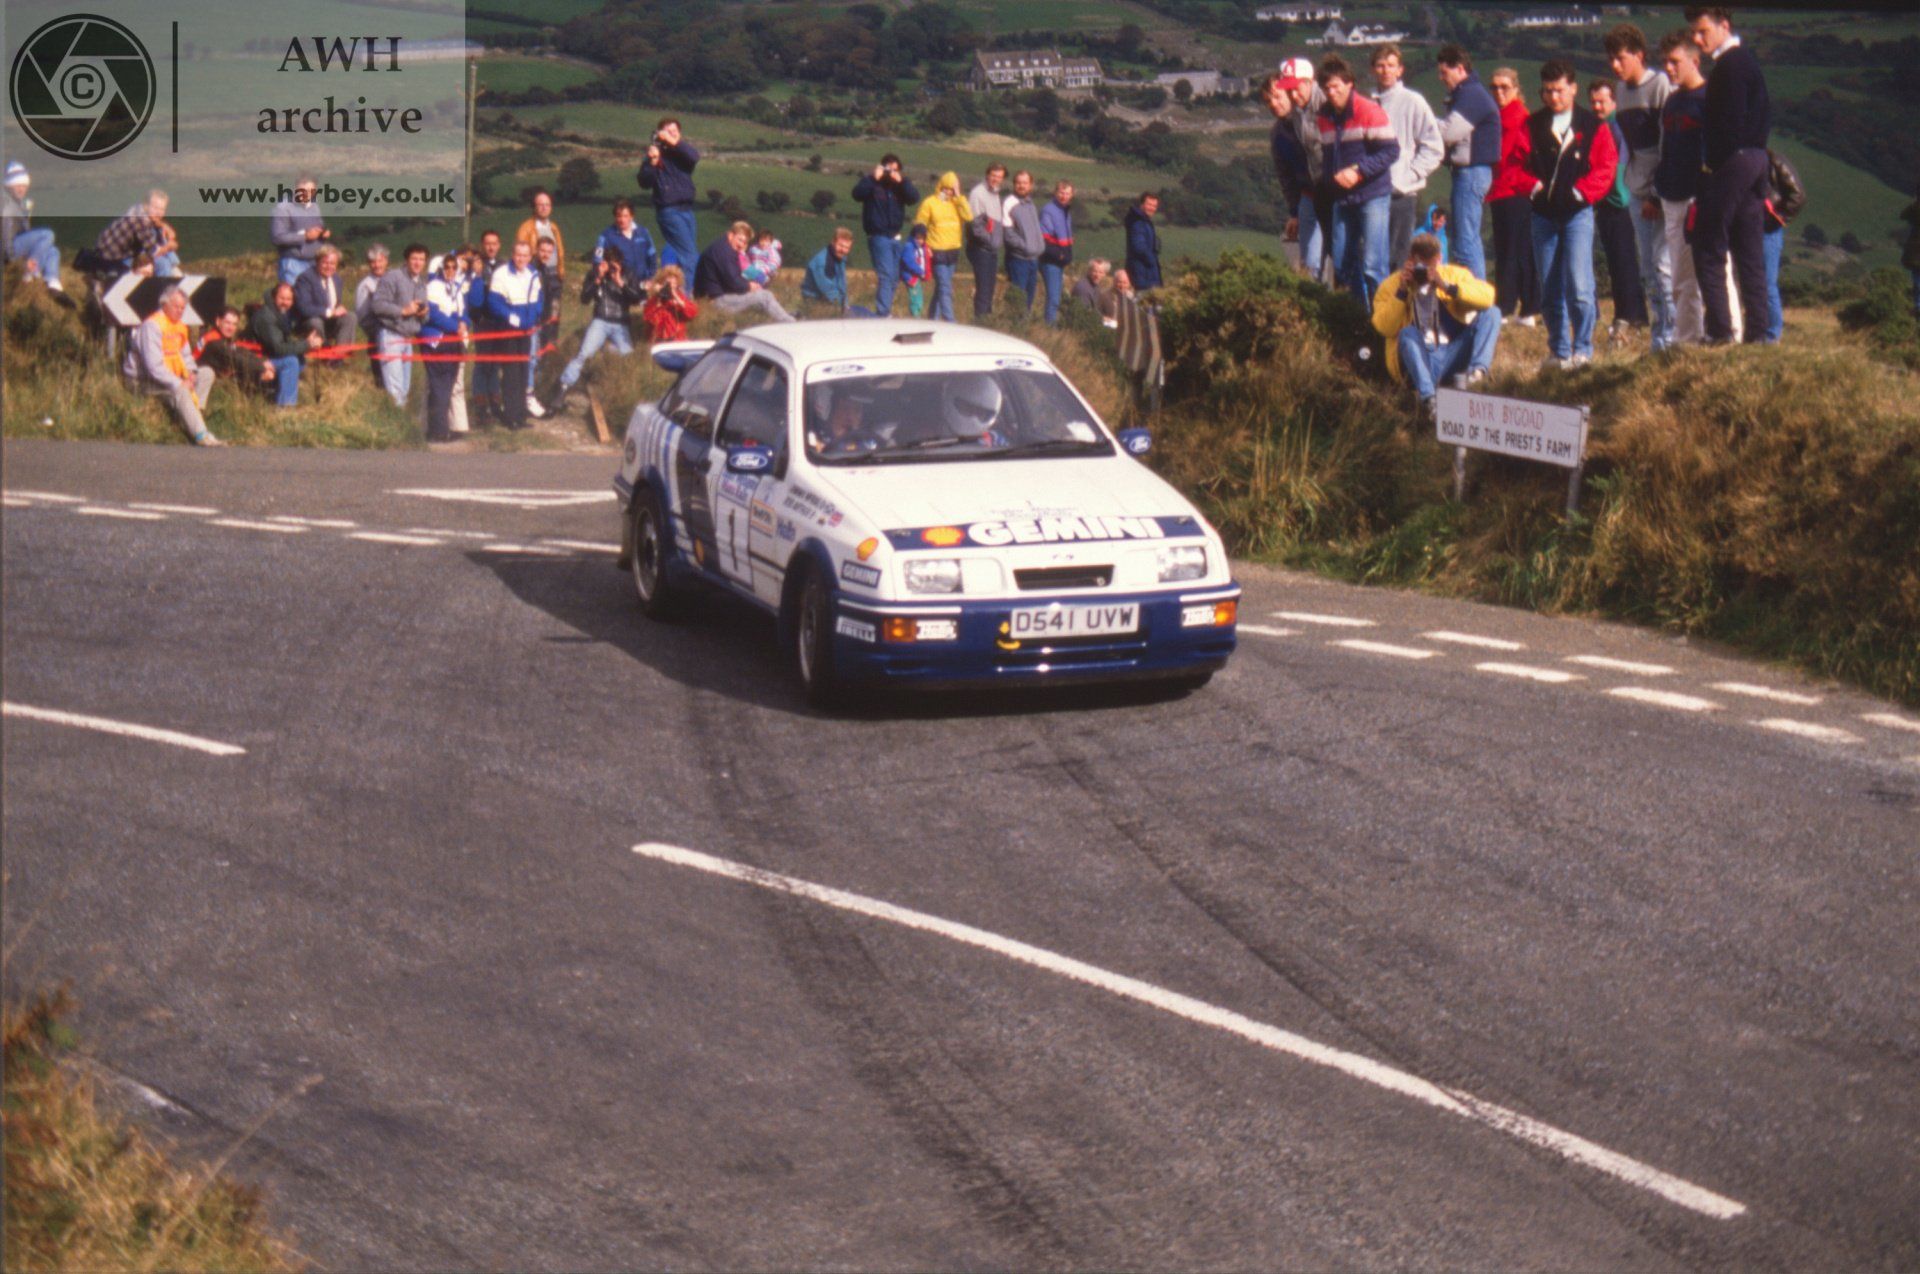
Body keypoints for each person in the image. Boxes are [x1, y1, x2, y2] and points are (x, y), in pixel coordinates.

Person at [1526, 60, 1618, 370]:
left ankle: (1583, 350)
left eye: (1560, 91)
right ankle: (1558, 351)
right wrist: (1532, 187)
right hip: (1543, 215)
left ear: (1574, 89)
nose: (1554, 98)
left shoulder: (1593, 126)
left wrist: (1581, 193)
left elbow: (1606, 167)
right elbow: (1514, 163)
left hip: (1578, 214)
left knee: (1579, 284)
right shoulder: (1533, 125)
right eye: (1548, 91)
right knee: (1549, 285)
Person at [1689, 4, 1770, 345]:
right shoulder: (1746, 61)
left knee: (1707, 245)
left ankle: (1721, 332)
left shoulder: (1730, 65)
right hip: (1756, 159)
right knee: (1749, 250)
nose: (1697, 38)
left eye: (1703, 31)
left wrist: (1715, 170)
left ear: (1724, 25)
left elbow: (1728, 124)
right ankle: (1759, 335)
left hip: (1734, 162)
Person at [1372, 233, 1501, 418]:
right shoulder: (1391, 286)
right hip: (1419, 359)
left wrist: (1447, 287)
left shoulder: (1453, 275)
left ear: (1439, 260)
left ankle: (1476, 375)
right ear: (1410, 260)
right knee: (1407, 332)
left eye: (1429, 266)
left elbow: (1488, 297)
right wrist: (1401, 292)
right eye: (1420, 266)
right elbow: (1384, 327)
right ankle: (1429, 399)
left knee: (1492, 313)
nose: (1424, 272)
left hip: (1452, 353)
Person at [1655, 31, 1728, 345]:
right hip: (1671, 195)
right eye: (1665, 63)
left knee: (1714, 270)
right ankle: (1687, 339)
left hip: (1700, 196)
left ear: (1695, 61)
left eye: (1675, 62)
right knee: (1681, 277)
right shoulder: (1672, 101)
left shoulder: (1710, 98)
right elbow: (1665, 148)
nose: (1669, 69)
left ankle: (1728, 333)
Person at [1608, 23, 1674, 349]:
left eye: (1621, 58)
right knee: (1647, 267)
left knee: (1663, 266)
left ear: (1639, 55)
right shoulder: (1620, 91)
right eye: (1611, 59)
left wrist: (1657, 195)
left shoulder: (1661, 85)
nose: (1615, 66)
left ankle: (1672, 337)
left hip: (1659, 189)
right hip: (1635, 186)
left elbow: (1669, 144)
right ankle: (1657, 338)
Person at [1316, 56, 1399, 308]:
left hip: (1372, 195)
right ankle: (1358, 317)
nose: (1332, 93)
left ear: (1349, 83)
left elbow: (1391, 151)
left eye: (1336, 86)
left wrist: (1358, 171)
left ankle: (1382, 322)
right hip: (1342, 198)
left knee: (1374, 265)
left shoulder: (1369, 111)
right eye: (1327, 88)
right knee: (1341, 262)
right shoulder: (1324, 116)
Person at [1371, 44, 1444, 270]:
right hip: (1373, 191)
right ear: (1373, 69)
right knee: (1374, 256)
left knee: (1399, 257)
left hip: (1401, 194)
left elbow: (1434, 147)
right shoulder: (1368, 103)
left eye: (1391, 66)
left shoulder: (1413, 101)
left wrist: (1409, 175)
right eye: (1380, 66)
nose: (1386, 71)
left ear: (1400, 70)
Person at [122, 286, 220, 446]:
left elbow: (186, 355)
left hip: (172, 374)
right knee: (180, 389)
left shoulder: (179, 326)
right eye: (176, 306)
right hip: (143, 380)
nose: (180, 311)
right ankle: (201, 435)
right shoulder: (152, 326)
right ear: (164, 304)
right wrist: (180, 382)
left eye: (183, 308)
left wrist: (191, 372)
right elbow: (153, 367)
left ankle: (194, 415)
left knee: (206, 373)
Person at [1435, 45, 1501, 282]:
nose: (1441, 79)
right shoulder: (1469, 93)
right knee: (1468, 237)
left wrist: (1422, 120)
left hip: (1471, 173)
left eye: (1445, 73)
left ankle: (1473, 297)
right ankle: (1476, 296)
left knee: (1464, 241)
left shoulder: (1471, 95)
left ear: (1460, 69)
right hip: (1471, 172)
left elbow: (1448, 133)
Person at [1587, 79, 1647, 336]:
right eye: (1593, 102)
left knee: (1621, 261)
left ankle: (1628, 315)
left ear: (1614, 101)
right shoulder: (1608, 125)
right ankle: (1635, 314)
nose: (1597, 106)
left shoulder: (1614, 127)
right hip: (1615, 201)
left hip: (1615, 202)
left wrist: (1613, 196)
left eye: (1602, 101)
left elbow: (1616, 167)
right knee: (1622, 260)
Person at [554, 251, 645, 407]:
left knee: (628, 356)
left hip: (620, 322)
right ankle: (563, 389)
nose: (611, 266)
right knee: (583, 353)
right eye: (607, 262)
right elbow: (584, 299)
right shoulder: (595, 274)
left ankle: (624, 395)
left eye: (614, 262)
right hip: (600, 321)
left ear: (621, 262)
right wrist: (598, 279)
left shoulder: (628, 274)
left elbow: (637, 298)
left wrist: (620, 282)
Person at [1487, 68, 1540, 324]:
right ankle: (1524, 307)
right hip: (1502, 189)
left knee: (1513, 249)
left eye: (1504, 87)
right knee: (1512, 247)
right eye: (1494, 87)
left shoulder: (1516, 117)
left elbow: (1506, 154)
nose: (1498, 92)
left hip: (1514, 189)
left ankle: (1511, 306)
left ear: (1516, 89)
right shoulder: (1501, 115)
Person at [850, 155, 919, 315]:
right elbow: (857, 194)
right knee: (886, 276)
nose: (891, 173)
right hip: (878, 236)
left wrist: (902, 181)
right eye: (889, 169)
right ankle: (883, 314)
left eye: (895, 170)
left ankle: (883, 311)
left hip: (895, 237)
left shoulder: (899, 187)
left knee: (895, 278)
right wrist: (873, 178)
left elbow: (914, 198)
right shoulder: (873, 184)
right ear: (882, 168)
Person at [1263, 71, 1316, 276]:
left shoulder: (1313, 118)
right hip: (1308, 198)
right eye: (1268, 101)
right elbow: (1286, 177)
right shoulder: (1277, 133)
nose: (1273, 104)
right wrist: (1294, 212)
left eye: (1277, 97)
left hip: (1332, 194)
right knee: (1309, 262)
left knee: (1341, 259)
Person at [487, 239, 543, 429]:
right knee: (511, 371)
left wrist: (532, 318)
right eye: (518, 254)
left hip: (527, 329)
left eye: (525, 255)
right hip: (509, 329)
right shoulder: (501, 274)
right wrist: (514, 319)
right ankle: (510, 416)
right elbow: (494, 303)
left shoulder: (533, 273)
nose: (521, 259)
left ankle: (521, 414)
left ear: (530, 256)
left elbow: (538, 300)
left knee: (523, 370)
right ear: (513, 254)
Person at [693, 220, 796, 323]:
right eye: (740, 240)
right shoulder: (725, 253)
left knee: (760, 296)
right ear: (730, 235)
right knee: (764, 296)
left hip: (714, 295)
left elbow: (733, 277)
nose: (742, 245)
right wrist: (749, 286)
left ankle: (785, 316)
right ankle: (790, 323)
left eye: (745, 242)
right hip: (715, 300)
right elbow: (735, 282)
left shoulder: (722, 247)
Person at [371, 243, 430, 408]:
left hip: (408, 338)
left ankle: (400, 423)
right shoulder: (393, 277)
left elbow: (425, 318)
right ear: (406, 260)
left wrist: (424, 313)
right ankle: (395, 429)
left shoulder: (421, 283)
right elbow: (377, 305)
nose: (418, 263)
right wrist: (403, 311)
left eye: (421, 259)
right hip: (391, 335)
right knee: (395, 391)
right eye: (414, 259)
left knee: (404, 389)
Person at [638, 118, 700, 268]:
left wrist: (672, 142)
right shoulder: (656, 155)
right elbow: (644, 182)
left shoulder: (682, 155)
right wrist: (653, 162)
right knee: (689, 255)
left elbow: (694, 156)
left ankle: (676, 286)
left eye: (675, 132)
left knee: (685, 253)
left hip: (686, 209)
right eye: (668, 132)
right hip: (669, 210)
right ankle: (688, 290)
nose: (672, 135)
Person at [421, 251, 469, 443]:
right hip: (437, 341)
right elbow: (432, 314)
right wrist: (455, 326)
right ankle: (438, 431)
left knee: (447, 385)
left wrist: (464, 323)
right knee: (439, 385)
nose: (450, 270)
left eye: (453, 267)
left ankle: (440, 428)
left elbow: (463, 311)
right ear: (441, 269)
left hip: (453, 341)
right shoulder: (432, 287)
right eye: (446, 267)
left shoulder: (456, 287)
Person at [199, 306, 293, 404]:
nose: (231, 328)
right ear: (218, 321)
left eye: (234, 324)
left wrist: (263, 361)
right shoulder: (214, 341)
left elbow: (240, 351)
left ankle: (276, 397)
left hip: (216, 376)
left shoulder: (219, 336)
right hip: (200, 377)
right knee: (246, 368)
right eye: (227, 323)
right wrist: (262, 367)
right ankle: (271, 399)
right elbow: (235, 358)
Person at [1760, 148, 1805, 344]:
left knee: (1767, 284)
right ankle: (1760, 332)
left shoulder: (1775, 159)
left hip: (1768, 229)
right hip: (1749, 226)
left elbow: (1798, 195)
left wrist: (1778, 218)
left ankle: (1772, 335)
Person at [251, 280, 322, 402]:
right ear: (274, 297)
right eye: (282, 298)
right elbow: (278, 348)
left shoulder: (278, 313)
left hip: (266, 353)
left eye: (289, 299)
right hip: (254, 358)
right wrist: (307, 344)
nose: (285, 302)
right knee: (291, 361)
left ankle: (274, 391)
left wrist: (305, 343)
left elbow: (283, 342)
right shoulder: (267, 317)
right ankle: (286, 406)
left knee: (300, 359)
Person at [913, 172, 967, 322]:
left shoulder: (957, 203)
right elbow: (920, 224)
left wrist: (959, 197)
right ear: (940, 187)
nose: (949, 192)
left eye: (952, 188)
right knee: (945, 287)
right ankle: (950, 321)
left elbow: (969, 217)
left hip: (953, 250)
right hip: (936, 250)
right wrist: (924, 246)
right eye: (946, 188)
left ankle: (933, 320)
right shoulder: (930, 203)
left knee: (940, 288)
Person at [1, 162, 62, 292]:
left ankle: (52, 281)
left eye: (24, 185)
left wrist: (26, 213)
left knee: (53, 250)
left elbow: (25, 232)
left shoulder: (19, 203)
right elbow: (5, 238)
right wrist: (13, 261)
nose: (21, 189)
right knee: (47, 234)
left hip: (17, 244)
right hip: (7, 251)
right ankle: (30, 271)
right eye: (17, 185)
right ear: (8, 186)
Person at [468, 230, 507, 422]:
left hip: (499, 321)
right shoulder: (476, 265)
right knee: (483, 361)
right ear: (482, 245)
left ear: (499, 245)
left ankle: (495, 400)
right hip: (483, 320)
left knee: (495, 361)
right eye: (487, 243)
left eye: (495, 243)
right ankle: (481, 404)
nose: (491, 247)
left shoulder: (504, 266)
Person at [95, 190, 172, 277]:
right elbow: (153, 250)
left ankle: (173, 269)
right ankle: (165, 286)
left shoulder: (138, 209)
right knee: (163, 264)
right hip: (114, 259)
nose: (158, 212)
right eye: (155, 208)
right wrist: (172, 244)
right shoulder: (141, 220)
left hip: (116, 251)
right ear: (146, 205)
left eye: (162, 209)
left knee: (159, 236)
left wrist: (163, 226)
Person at [271, 178, 329, 287]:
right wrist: (304, 236)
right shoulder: (283, 208)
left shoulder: (314, 207)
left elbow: (319, 226)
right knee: (295, 298)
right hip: (293, 263)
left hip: (314, 262)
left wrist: (322, 234)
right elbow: (277, 237)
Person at [967, 163, 1007, 317]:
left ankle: (988, 323)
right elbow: (976, 226)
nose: (996, 179)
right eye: (993, 175)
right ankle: (981, 324)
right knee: (983, 290)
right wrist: (991, 240)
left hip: (991, 249)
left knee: (990, 289)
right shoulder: (978, 193)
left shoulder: (995, 193)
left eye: (999, 177)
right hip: (980, 249)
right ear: (987, 175)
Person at [528, 236, 563, 417]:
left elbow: (556, 302)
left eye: (549, 252)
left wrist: (553, 327)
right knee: (531, 360)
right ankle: (527, 398)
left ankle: (535, 394)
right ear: (536, 249)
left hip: (545, 323)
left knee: (540, 361)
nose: (545, 254)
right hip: (531, 322)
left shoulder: (551, 272)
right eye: (542, 250)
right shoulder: (530, 269)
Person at [1002, 171, 1044, 315]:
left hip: (1033, 260)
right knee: (1018, 299)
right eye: (1019, 183)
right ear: (1014, 184)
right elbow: (1008, 234)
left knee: (1029, 299)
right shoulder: (1009, 203)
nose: (1022, 186)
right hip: (1018, 260)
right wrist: (1026, 247)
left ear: (1031, 185)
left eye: (1025, 183)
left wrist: (1038, 247)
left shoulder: (1030, 204)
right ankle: (1014, 329)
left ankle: (1023, 329)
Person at [594, 200, 657, 285]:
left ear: (632, 216)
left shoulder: (643, 232)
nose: (622, 220)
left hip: (643, 283)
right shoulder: (606, 236)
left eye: (625, 216)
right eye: (619, 216)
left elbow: (652, 256)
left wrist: (651, 277)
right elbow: (597, 260)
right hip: (619, 284)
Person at [354, 245, 390, 390]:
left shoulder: (394, 279)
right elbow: (363, 316)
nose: (377, 265)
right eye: (373, 262)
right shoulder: (365, 285)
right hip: (377, 336)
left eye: (380, 261)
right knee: (382, 380)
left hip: (397, 336)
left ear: (386, 261)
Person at [1038, 181, 1075, 324]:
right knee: (1053, 299)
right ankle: (1049, 330)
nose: (1064, 196)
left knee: (1057, 298)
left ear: (1072, 195)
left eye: (1067, 193)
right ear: (1055, 193)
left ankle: (1050, 326)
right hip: (1050, 260)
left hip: (1059, 262)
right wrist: (1059, 255)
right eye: (1061, 193)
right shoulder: (1049, 210)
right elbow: (1045, 238)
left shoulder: (1065, 211)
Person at [515, 189, 566, 279]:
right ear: (535, 207)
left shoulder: (554, 227)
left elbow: (560, 250)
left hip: (554, 274)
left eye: (547, 205)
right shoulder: (526, 228)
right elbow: (521, 252)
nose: (544, 208)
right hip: (536, 272)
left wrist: (561, 270)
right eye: (541, 205)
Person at [640, 265, 698, 343]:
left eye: (673, 283)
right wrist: (658, 299)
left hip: (677, 340)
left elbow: (692, 313)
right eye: (667, 284)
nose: (670, 287)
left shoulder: (680, 297)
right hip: (658, 341)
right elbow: (649, 319)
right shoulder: (655, 300)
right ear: (661, 283)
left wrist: (676, 298)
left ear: (677, 284)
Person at [801, 228, 855, 310]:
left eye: (847, 248)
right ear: (833, 242)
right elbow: (827, 290)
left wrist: (846, 303)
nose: (843, 250)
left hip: (830, 301)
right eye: (840, 245)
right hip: (815, 302)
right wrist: (843, 307)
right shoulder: (822, 262)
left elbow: (841, 285)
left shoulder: (840, 258)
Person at [1124, 192, 1163, 292]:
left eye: (1154, 206)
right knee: (1145, 303)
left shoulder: (1144, 221)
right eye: (1149, 204)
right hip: (1142, 274)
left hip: (1145, 273)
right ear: (1142, 204)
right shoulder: (1138, 223)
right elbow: (1139, 247)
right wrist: (1152, 261)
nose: (1152, 208)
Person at [900, 224, 932, 319]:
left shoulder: (921, 247)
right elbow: (908, 261)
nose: (920, 240)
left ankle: (917, 314)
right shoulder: (909, 246)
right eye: (917, 238)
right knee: (915, 298)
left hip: (915, 276)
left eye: (922, 238)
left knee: (919, 297)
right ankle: (915, 316)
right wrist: (920, 271)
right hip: (910, 277)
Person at [1073, 258, 1117, 322]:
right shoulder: (1083, 288)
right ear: (1089, 271)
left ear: (1105, 274)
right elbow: (1084, 313)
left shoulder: (1095, 286)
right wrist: (1102, 319)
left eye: (1101, 272)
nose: (1097, 275)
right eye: (1094, 271)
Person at [1903, 180, 1920, 317]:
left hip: (1915, 253)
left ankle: (1918, 308)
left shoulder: (1915, 208)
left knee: (1917, 283)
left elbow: (1903, 215)